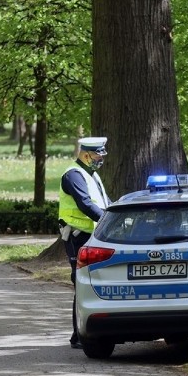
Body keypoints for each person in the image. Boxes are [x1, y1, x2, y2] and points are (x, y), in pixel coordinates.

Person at [58, 137, 111, 349]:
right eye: (99, 155)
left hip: (90, 235)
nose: (101, 159)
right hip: (76, 236)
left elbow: (103, 203)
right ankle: (78, 335)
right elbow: (86, 205)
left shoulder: (91, 175)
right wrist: (109, 222)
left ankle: (81, 333)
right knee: (80, 281)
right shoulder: (73, 175)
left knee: (89, 281)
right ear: (86, 154)